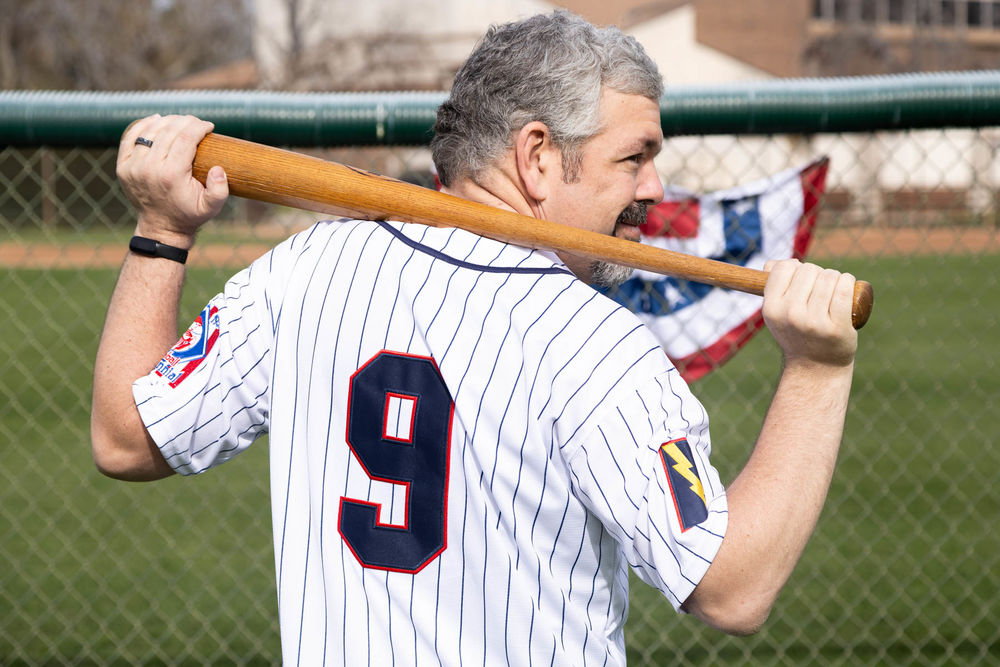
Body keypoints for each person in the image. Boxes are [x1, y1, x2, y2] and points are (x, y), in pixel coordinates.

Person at [91, 10, 858, 666]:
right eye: (636, 158)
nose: (654, 190)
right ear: (536, 157)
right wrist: (817, 372)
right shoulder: (595, 344)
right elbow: (733, 586)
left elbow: (126, 438)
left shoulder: (303, 271)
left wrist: (162, 229)